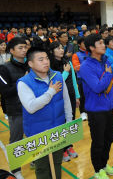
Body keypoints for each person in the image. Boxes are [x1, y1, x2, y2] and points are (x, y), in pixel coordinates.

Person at [17, 47, 72, 179]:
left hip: (57, 129)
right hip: (37, 133)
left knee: (57, 163)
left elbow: (66, 100)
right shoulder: (24, 83)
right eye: (40, 59)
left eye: (47, 58)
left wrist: (69, 122)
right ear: (30, 63)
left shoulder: (57, 76)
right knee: (42, 167)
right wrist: (51, 92)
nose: (46, 62)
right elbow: (31, 107)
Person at [79, 34, 113, 179]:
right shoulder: (86, 66)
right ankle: (97, 170)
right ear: (91, 48)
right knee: (98, 142)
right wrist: (108, 74)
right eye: (100, 43)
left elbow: (110, 86)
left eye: (103, 42)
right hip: (96, 111)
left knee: (109, 139)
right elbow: (97, 87)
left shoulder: (106, 61)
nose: (104, 45)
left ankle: (104, 164)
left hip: (109, 108)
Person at [0, 37, 28, 179]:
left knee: (33, 136)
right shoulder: (4, 68)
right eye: (20, 48)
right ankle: (16, 170)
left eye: (25, 47)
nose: (24, 50)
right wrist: (23, 80)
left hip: (33, 109)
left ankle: (34, 160)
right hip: (16, 110)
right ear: (11, 51)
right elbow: (5, 92)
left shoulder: (30, 65)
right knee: (16, 140)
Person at [48, 42, 80, 162]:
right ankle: (61, 149)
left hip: (71, 95)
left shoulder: (68, 62)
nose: (61, 50)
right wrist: (65, 72)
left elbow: (73, 80)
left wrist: (77, 96)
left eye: (62, 48)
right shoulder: (50, 66)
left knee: (69, 122)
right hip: (58, 98)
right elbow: (57, 82)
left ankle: (69, 146)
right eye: (58, 48)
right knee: (61, 123)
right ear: (52, 51)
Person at [71, 37, 88, 121]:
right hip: (82, 79)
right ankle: (82, 112)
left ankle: (88, 110)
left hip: (91, 78)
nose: (86, 44)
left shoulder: (91, 53)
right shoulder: (76, 55)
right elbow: (76, 67)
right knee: (82, 96)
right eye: (84, 43)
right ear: (79, 44)